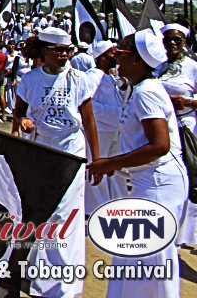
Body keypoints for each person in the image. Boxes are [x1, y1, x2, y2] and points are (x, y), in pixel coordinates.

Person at [88, 30, 186, 298]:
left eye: (120, 54)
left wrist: (110, 163)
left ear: (136, 60)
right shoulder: (136, 89)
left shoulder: (146, 93)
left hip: (159, 183)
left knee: (152, 259)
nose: (116, 60)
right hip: (148, 180)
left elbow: (159, 146)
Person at [13, 27, 99, 298]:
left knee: (64, 214)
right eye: (58, 50)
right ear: (44, 52)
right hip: (42, 149)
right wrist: (23, 122)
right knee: (45, 211)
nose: (64, 55)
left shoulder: (79, 79)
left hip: (71, 151)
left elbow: (88, 121)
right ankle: (41, 274)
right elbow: (19, 113)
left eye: (67, 50)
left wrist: (96, 159)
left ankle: (60, 283)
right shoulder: (30, 80)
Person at [154, 22, 197, 248]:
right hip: (157, 128)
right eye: (168, 39)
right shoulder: (156, 67)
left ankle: (184, 233)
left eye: (177, 39)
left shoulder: (192, 67)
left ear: (185, 43)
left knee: (185, 175)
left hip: (185, 128)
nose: (171, 43)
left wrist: (187, 101)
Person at [84, 40, 124, 214]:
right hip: (100, 130)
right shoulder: (92, 76)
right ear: (101, 58)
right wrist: (114, 113)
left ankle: (117, 204)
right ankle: (96, 208)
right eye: (112, 53)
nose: (115, 56)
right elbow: (88, 104)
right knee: (97, 166)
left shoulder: (110, 77)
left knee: (115, 170)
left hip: (113, 130)